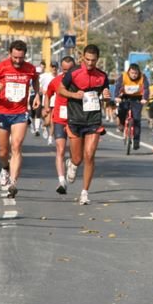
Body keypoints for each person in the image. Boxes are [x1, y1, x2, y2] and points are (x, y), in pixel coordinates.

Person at [0, 40, 39, 199]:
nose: (17, 61)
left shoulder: (30, 68)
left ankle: (13, 183)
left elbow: (35, 79)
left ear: (25, 56)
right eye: (15, 57)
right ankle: (5, 167)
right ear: (10, 54)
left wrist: (37, 96)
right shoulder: (1, 67)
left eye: (20, 58)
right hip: (2, 111)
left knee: (16, 146)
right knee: (3, 152)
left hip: (20, 112)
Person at [59, 44, 111, 205]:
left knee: (89, 155)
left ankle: (84, 192)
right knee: (78, 157)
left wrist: (106, 96)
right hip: (75, 118)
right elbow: (61, 90)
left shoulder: (102, 76)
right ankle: (72, 164)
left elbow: (105, 95)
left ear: (97, 60)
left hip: (93, 120)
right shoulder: (73, 73)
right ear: (83, 58)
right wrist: (74, 94)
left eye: (93, 60)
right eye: (87, 60)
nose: (90, 63)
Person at [44, 55, 76, 194]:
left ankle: (72, 163)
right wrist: (46, 107)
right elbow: (48, 94)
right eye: (64, 70)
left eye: (69, 70)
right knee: (61, 150)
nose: (66, 73)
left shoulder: (78, 81)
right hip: (59, 119)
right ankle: (62, 181)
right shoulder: (56, 81)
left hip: (75, 119)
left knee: (76, 154)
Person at [115, 63, 150, 150]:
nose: (134, 75)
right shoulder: (123, 76)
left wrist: (144, 98)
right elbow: (118, 86)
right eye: (132, 73)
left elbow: (146, 89)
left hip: (137, 99)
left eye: (136, 73)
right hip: (125, 97)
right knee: (121, 111)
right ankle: (122, 124)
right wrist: (117, 97)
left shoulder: (143, 77)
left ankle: (136, 141)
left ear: (138, 73)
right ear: (128, 72)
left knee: (137, 120)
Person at [39, 61, 59, 144]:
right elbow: (37, 84)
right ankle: (43, 126)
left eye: (55, 67)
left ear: (57, 68)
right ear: (50, 67)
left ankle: (50, 137)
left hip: (56, 102)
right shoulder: (45, 76)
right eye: (52, 66)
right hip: (47, 101)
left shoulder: (59, 76)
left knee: (53, 121)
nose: (54, 68)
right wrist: (42, 90)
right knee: (47, 122)